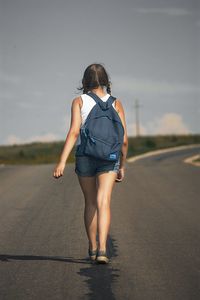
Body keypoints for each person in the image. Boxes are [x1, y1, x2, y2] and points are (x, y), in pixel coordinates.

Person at [53, 63, 128, 264]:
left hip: (85, 156)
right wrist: (122, 165)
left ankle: (93, 248)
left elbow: (74, 132)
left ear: (85, 81)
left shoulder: (78, 101)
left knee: (91, 202)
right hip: (109, 157)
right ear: (106, 80)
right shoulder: (116, 103)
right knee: (104, 202)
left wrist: (61, 161)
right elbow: (124, 140)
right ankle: (103, 250)